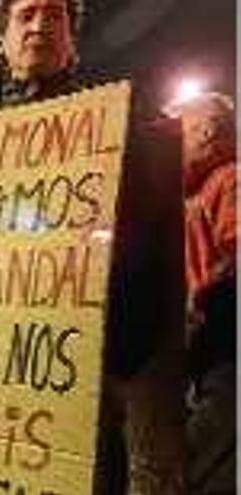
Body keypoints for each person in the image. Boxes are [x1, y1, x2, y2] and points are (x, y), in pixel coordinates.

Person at [0, 1, 187, 493]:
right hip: (10, 363)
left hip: (109, 361)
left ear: (73, 43)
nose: (41, 25)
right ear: (1, 41)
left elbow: (152, 240)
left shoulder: (124, 122)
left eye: (55, 15)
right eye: (27, 14)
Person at [165, 92, 236, 494]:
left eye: (176, 133)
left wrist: (200, 311)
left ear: (207, 131)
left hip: (224, 356)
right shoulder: (191, 196)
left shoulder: (230, 179)